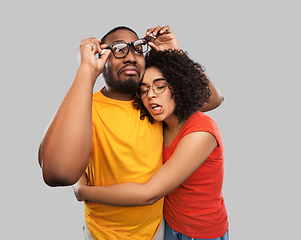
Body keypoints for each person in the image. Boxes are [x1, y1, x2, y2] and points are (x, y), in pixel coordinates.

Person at [39, 25, 224, 240]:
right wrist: (86, 70)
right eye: (118, 49)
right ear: (102, 57)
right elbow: (57, 173)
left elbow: (212, 99)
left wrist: (176, 54)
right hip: (103, 233)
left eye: (137, 49)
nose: (130, 57)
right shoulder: (85, 108)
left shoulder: (150, 103)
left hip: (158, 230)